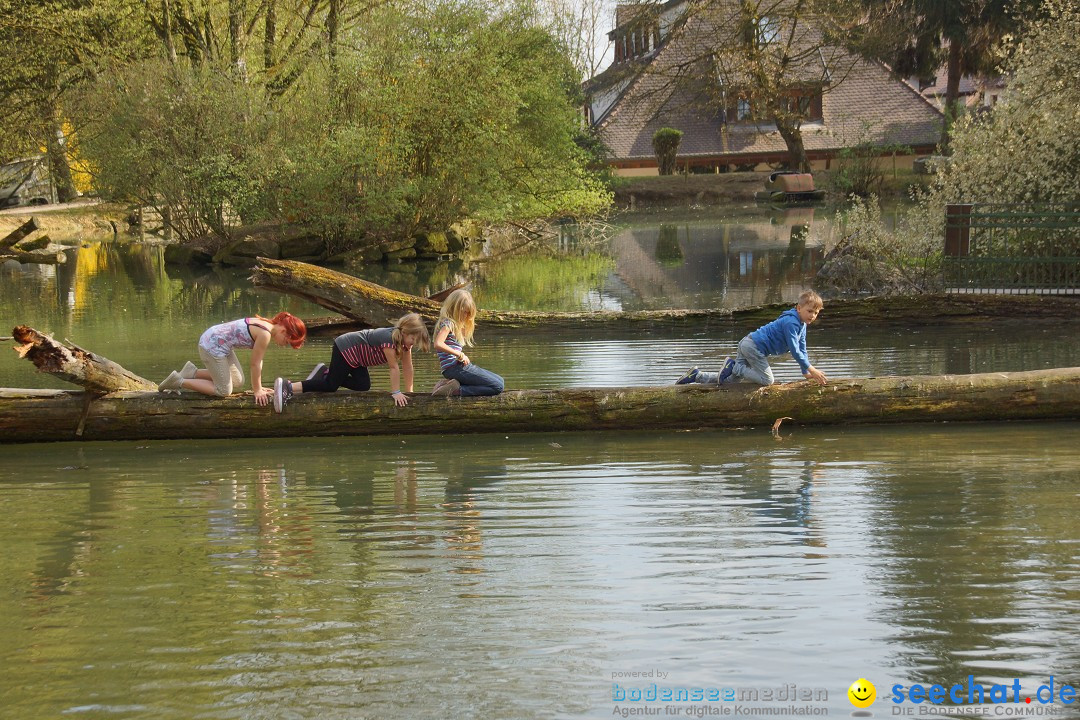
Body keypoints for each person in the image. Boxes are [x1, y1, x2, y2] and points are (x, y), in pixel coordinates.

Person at [272, 312, 431, 412]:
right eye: (412, 339)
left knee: (363, 385)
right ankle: (288, 386)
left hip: (358, 359)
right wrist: (396, 392)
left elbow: (408, 368)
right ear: (404, 332)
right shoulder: (389, 339)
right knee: (330, 386)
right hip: (346, 348)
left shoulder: (404, 345)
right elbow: (394, 368)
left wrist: (410, 392)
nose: (412, 344)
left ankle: (326, 373)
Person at [676, 290, 828, 387]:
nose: (812, 316)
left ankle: (697, 375)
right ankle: (735, 366)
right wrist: (812, 369)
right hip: (753, 347)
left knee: (730, 382)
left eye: (816, 313)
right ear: (798, 308)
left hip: (748, 344)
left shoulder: (802, 325)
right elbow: (795, 351)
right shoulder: (791, 322)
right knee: (768, 380)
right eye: (810, 311)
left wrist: (805, 372)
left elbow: (802, 349)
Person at [158, 312, 307, 405]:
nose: (284, 345)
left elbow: (258, 363)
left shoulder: (267, 325)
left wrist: (259, 387)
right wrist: (257, 391)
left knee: (238, 381)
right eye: (287, 342)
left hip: (220, 344)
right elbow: (255, 364)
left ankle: (192, 372)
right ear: (283, 331)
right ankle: (179, 381)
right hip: (211, 346)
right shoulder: (265, 334)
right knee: (223, 390)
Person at [430, 289, 504, 397]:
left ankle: (448, 385)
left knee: (500, 381)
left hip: (456, 368)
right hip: (454, 368)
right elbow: (438, 344)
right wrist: (459, 354)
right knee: (497, 386)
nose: (466, 316)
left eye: (468, 313)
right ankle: (456, 391)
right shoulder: (448, 324)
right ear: (454, 308)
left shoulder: (455, 325)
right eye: (464, 312)